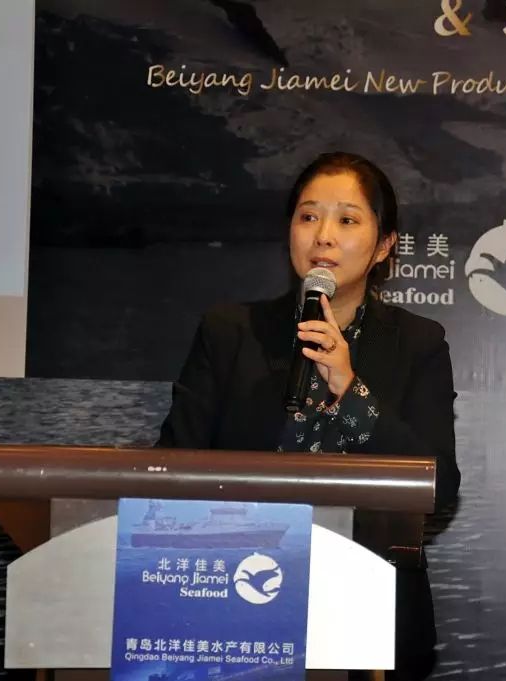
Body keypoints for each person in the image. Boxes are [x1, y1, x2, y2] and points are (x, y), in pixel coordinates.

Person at [156, 151, 461, 680]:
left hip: (366, 613)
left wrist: (348, 386)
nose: (323, 236)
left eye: (347, 220)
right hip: (234, 600)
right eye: (308, 216)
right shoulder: (231, 333)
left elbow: (438, 485)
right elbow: (171, 470)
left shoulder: (418, 344)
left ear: (384, 246)